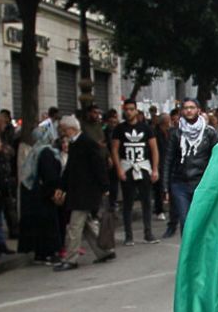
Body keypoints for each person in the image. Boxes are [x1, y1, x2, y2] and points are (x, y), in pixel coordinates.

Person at [53, 116, 115, 271]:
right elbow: (69, 170)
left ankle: (70, 259)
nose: (62, 133)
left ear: (70, 129)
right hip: (78, 192)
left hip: (85, 193)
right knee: (86, 225)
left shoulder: (87, 143)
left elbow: (98, 166)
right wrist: (62, 187)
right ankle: (105, 251)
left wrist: (104, 187)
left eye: (63, 129)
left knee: (74, 227)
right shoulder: (76, 144)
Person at [164, 98, 218, 236]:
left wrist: (217, 183)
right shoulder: (176, 133)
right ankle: (187, 254)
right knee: (185, 221)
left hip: (202, 184)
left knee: (201, 222)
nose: (189, 110)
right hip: (180, 184)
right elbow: (168, 160)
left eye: (192, 107)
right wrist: (165, 186)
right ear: (182, 111)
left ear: (198, 110)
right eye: (186, 107)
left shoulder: (209, 133)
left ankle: (200, 254)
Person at [111, 98, 160, 245]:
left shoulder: (146, 128)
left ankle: (148, 232)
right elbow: (114, 150)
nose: (129, 112)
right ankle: (128, 235)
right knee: (128, 202)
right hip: (127, 167)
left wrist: (155, 169)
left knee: (146, 201)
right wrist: (119, 169)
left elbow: (154, 149)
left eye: (131, 109)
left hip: (143, 166)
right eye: (126, 109)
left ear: (136, 111)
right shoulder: (119, 129)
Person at [17, 124, 63, 265]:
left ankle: (40, 254)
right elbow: (49, 176)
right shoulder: (46, 153)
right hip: (44, 196)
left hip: (34, 195)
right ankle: (48, 253)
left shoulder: (34, 152)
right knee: (47, 225)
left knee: (39, 225)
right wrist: (55, 192)